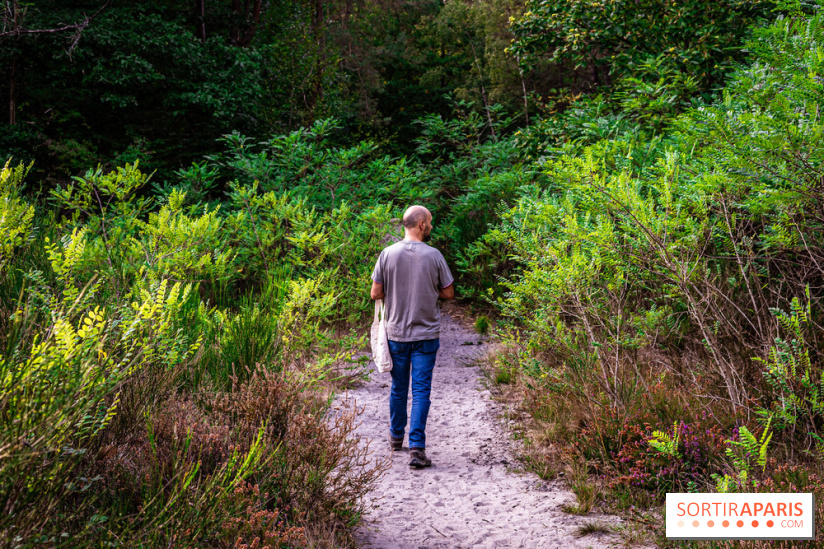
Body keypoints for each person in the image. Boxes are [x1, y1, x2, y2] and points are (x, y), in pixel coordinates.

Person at [370, 205, 455, 469]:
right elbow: (449, 293)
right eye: (430, 222)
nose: (431, 226)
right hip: (426, 334)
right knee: (421, 391)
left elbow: (375, 293)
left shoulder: (387, 254)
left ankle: (396, 438)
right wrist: (427, 290)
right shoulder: (434, 255)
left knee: (398, 387)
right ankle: (417, 448)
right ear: (421, 224)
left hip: (396, 333)